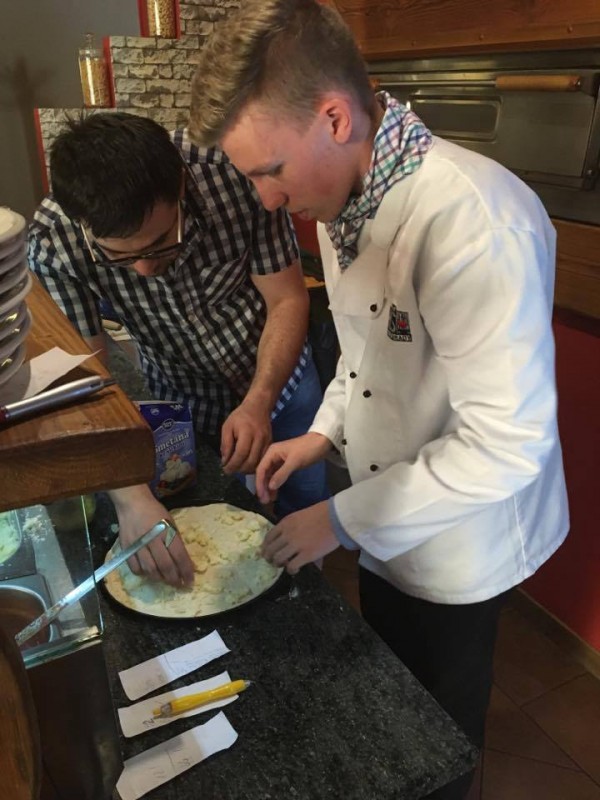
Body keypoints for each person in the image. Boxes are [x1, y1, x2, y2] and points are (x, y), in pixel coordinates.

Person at [188, 2, 570, 797]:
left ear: (334, 118)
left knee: (438, 746)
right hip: (379, 516)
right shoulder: (344, 198)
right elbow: (363, 356)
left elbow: (508, 443)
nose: (266, 200)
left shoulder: (474, 222)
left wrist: (336, 519)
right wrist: (323, 434)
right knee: (391, 709)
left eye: (269, 171)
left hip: (460, 539)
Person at [28, 112, 328, 588]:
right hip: (182, 402)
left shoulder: (232, 173)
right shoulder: (53, 242)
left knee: (304, 511)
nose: (144, 269)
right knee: (209, 531)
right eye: (119, 256)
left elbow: (287, 299)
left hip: (284, 384)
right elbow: (86, 382)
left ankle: (311, 598)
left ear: (182, 187)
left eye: (161, 243)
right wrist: (130, 497)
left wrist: (259, 400)